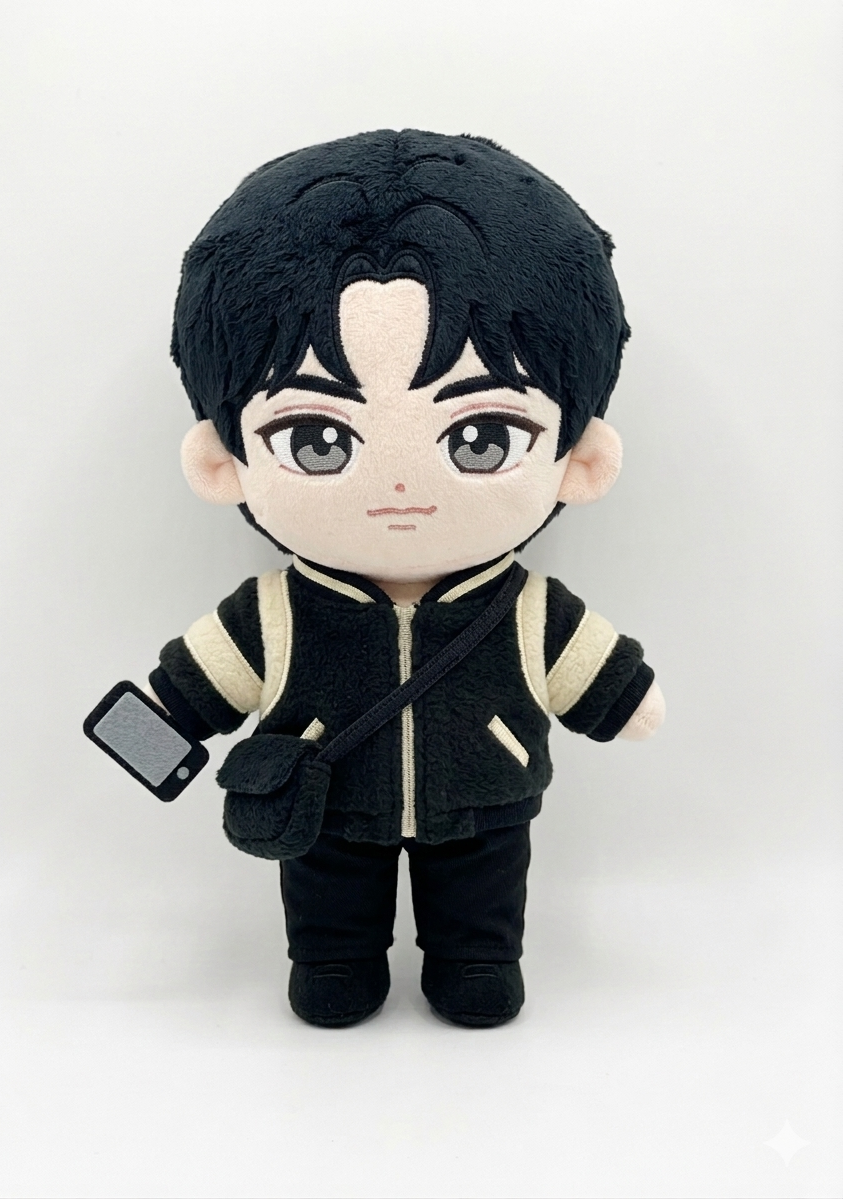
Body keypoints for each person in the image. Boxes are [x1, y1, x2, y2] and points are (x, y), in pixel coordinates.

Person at [95, 129, 664, 1028]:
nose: (400, 487)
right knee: (327, 912)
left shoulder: (524, 611)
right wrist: (149, 733)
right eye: (318, 439)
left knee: (483, 901)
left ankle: (477, 956)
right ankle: (334, 959)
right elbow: (188, 688)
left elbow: (605, 680)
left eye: (481, 437)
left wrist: (626, 698)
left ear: (579, 459)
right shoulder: (278, 613)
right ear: (222, 462)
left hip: (485, 798)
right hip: (327, 802)